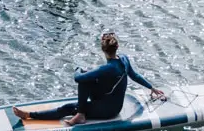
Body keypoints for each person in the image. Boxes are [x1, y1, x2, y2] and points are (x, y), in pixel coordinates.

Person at [12, 33, 166, 126]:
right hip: (112, 102)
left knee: (67, 107)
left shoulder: (107, 68)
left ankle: (31, 115)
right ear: (117, 48)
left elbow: (78, 78)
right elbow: (134, 75)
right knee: (87, 80)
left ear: (103, 50)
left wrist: (78, 68)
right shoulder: (123, 59)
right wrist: (151, 88)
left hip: (109, 111)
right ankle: (81, 112)